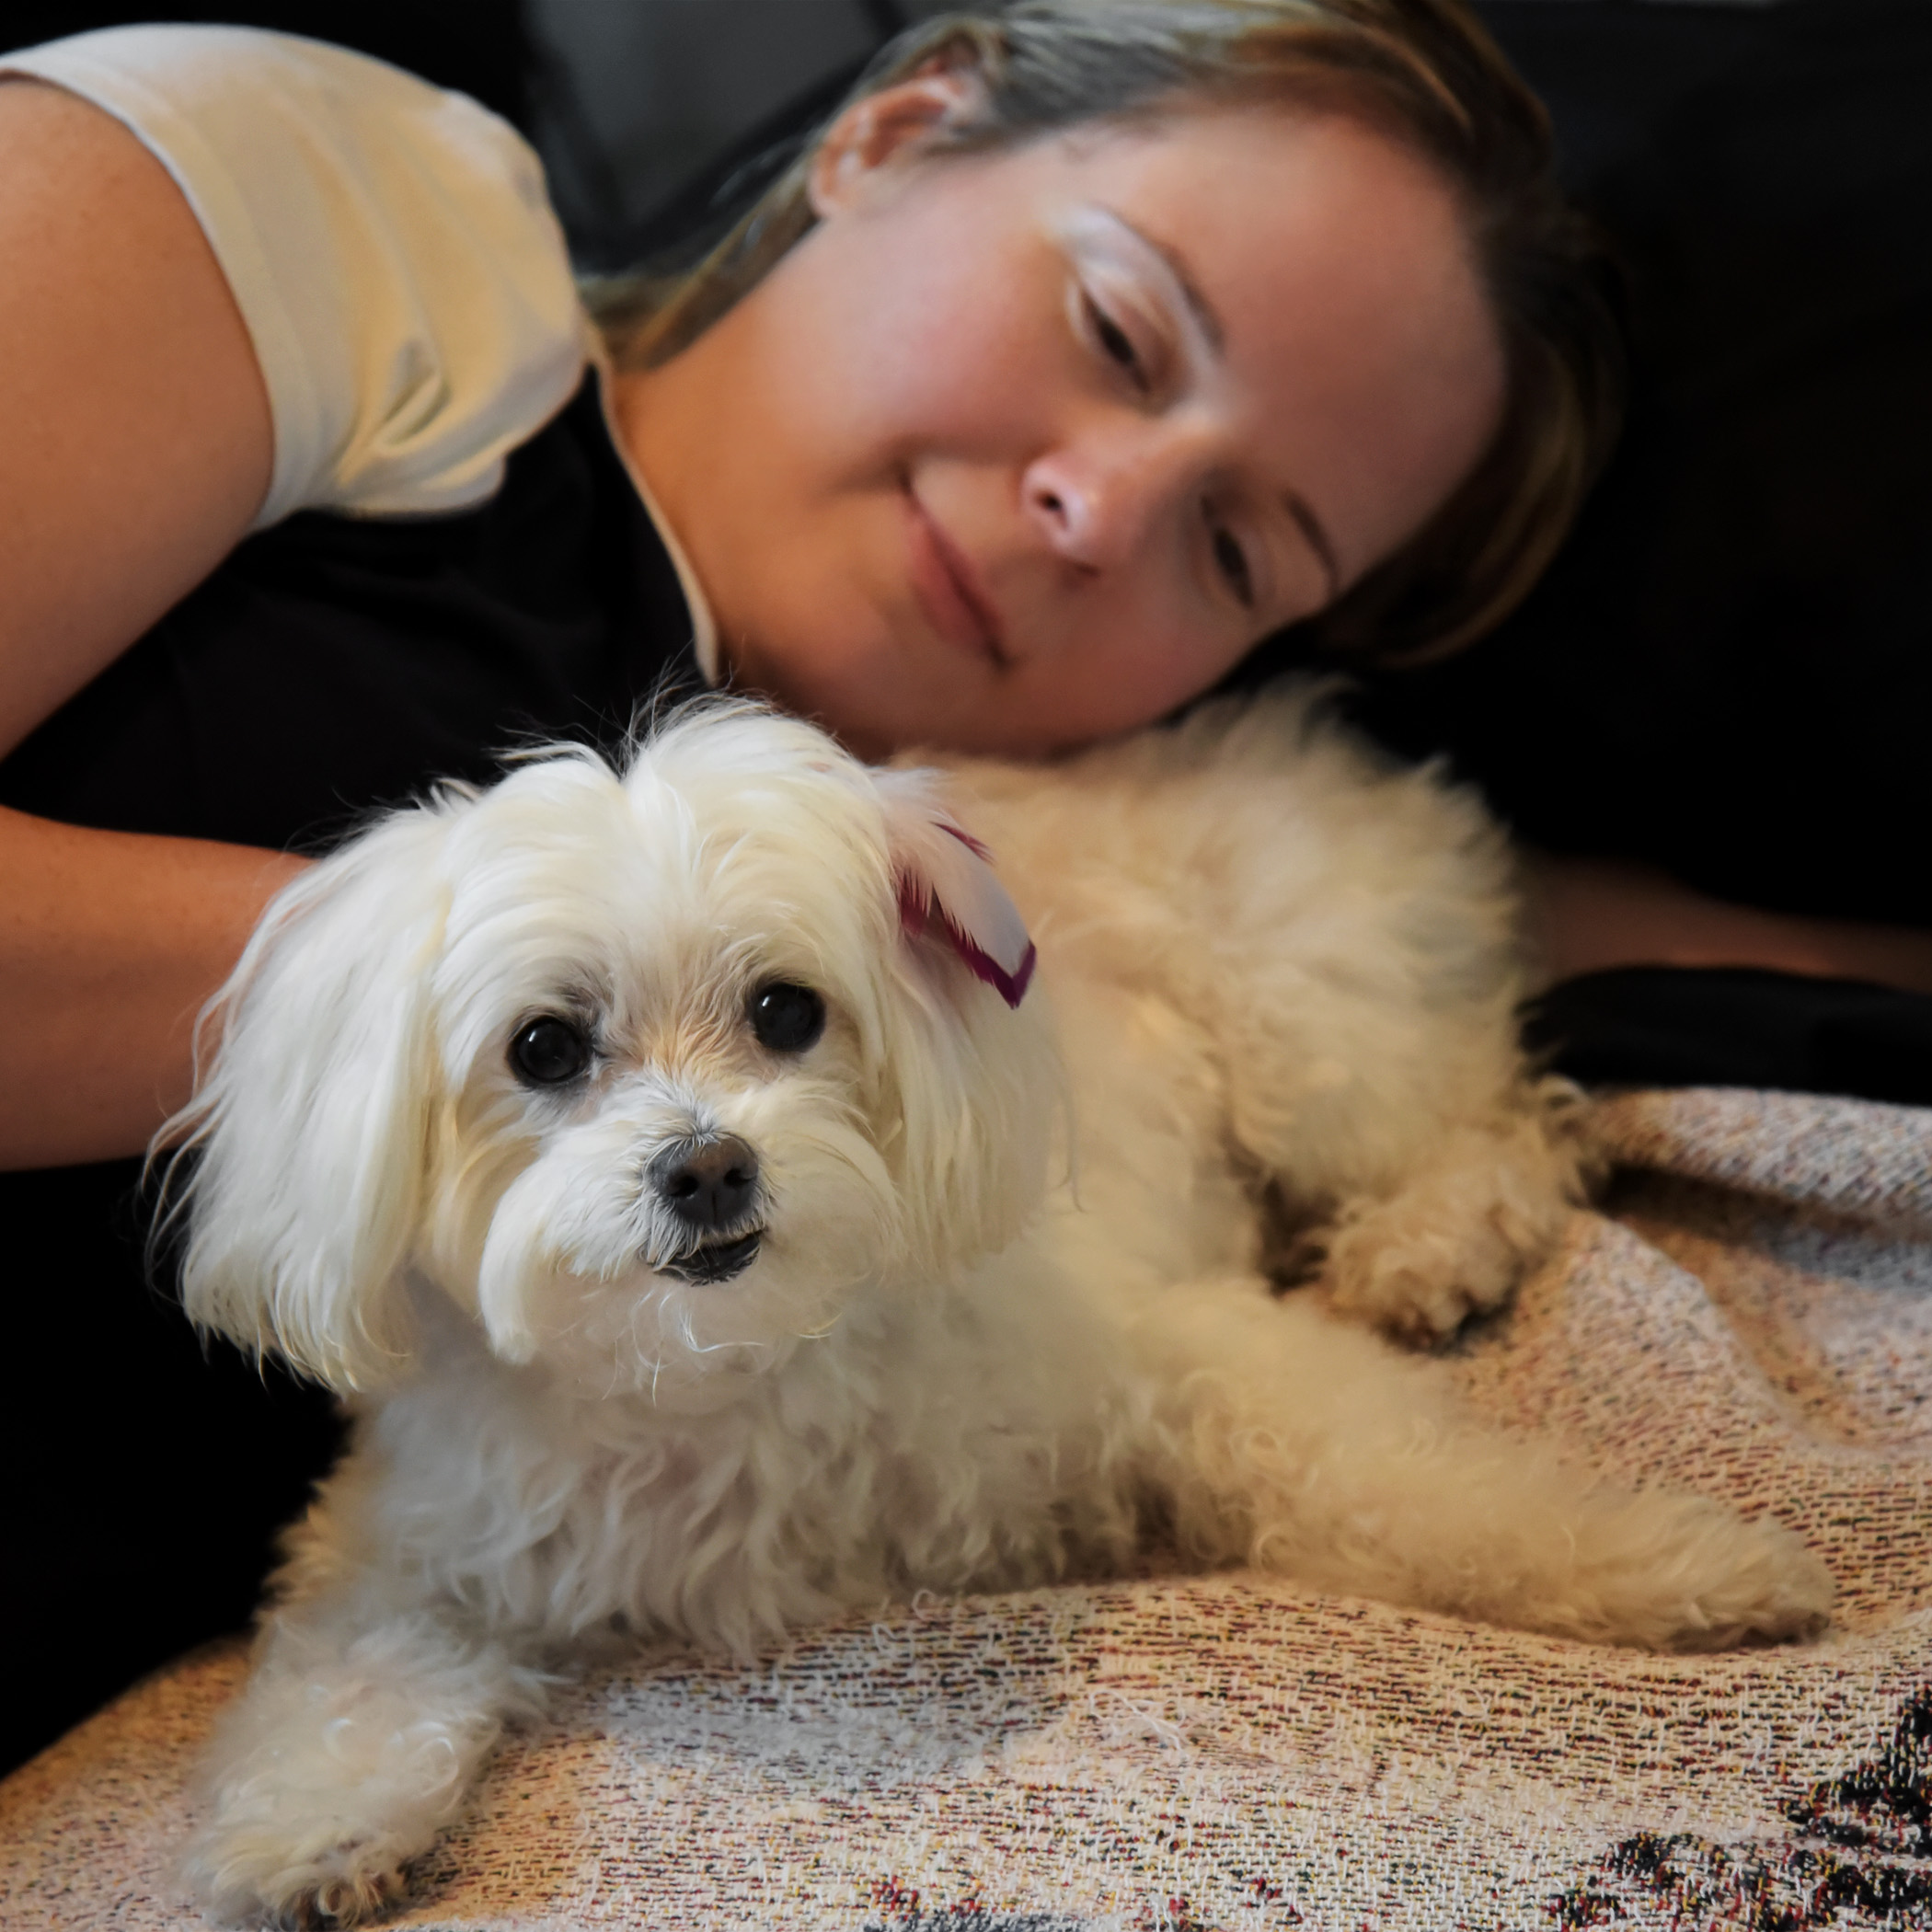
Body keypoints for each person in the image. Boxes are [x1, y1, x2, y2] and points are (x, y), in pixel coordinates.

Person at [0, 0, 1903, 1773]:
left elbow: (1440, 915)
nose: (1107, 511)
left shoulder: (957, 899)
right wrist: (411, 992)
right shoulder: (365, 211)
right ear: (903, 127)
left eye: (1238, 552)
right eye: (1120, 330)